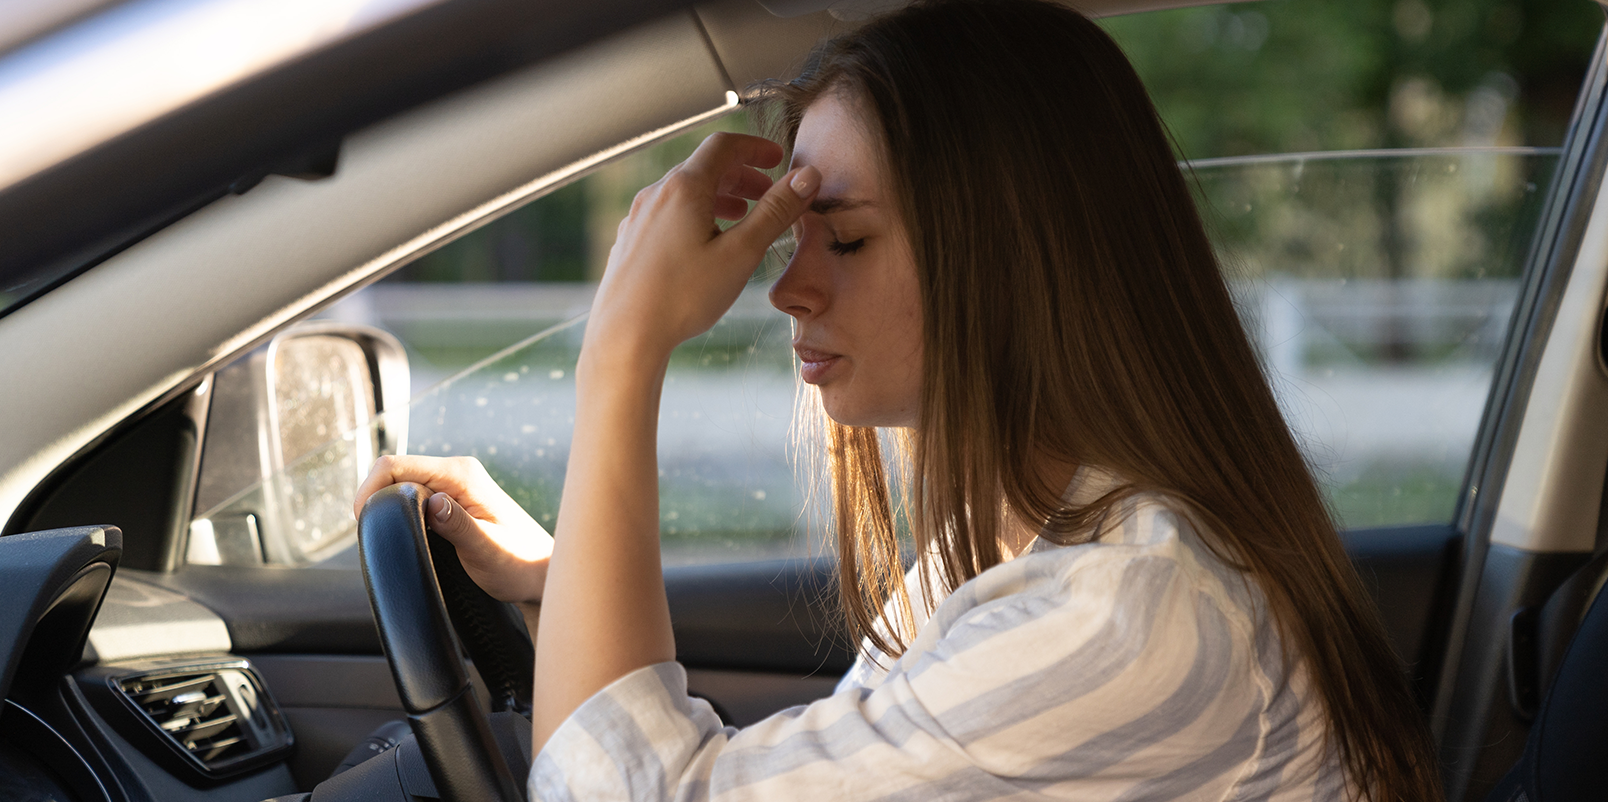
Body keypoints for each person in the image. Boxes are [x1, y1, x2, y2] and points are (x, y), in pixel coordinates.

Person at [355, 0, 1442, 799]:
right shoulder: (1034, 540)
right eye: (795, 233)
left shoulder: (1121, 614)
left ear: (1020, 259)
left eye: (852, 238)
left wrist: (621, 359)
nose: (789, 286)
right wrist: (567, 584)